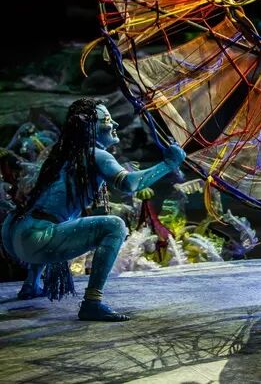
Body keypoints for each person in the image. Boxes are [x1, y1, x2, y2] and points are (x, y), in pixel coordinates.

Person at [1, 99, 186, 321]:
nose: (115, 124)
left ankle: (31, 284)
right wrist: (169, 164)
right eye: (107, 120)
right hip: (39, 240)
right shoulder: (96, 154)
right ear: (89, 126)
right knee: (115, 226)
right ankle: (92, 302)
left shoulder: (63, 155)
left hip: (16, 235)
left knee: (58, 217)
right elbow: (129, 184)